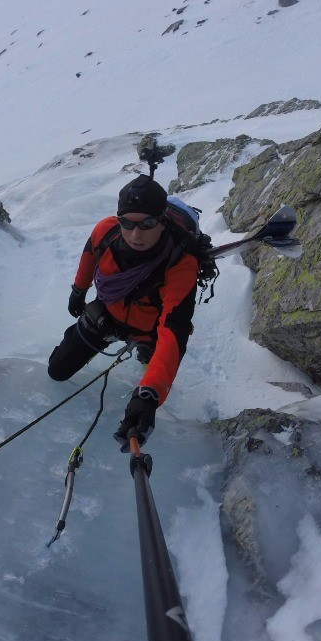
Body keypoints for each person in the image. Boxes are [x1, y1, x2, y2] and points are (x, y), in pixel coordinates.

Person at [47, 174, 198, 450]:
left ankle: (144, 351)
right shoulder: (106, 230)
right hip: (109, 317)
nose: (135, 234)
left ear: (162, 221)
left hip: (151, 330)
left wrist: (149, 394)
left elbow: (173, 330)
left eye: (147, 224)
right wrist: (79, 290)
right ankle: (138, 348)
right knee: (57, 370)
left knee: (155, 358)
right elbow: (89, 254)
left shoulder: (180, 265)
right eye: (127, 223)